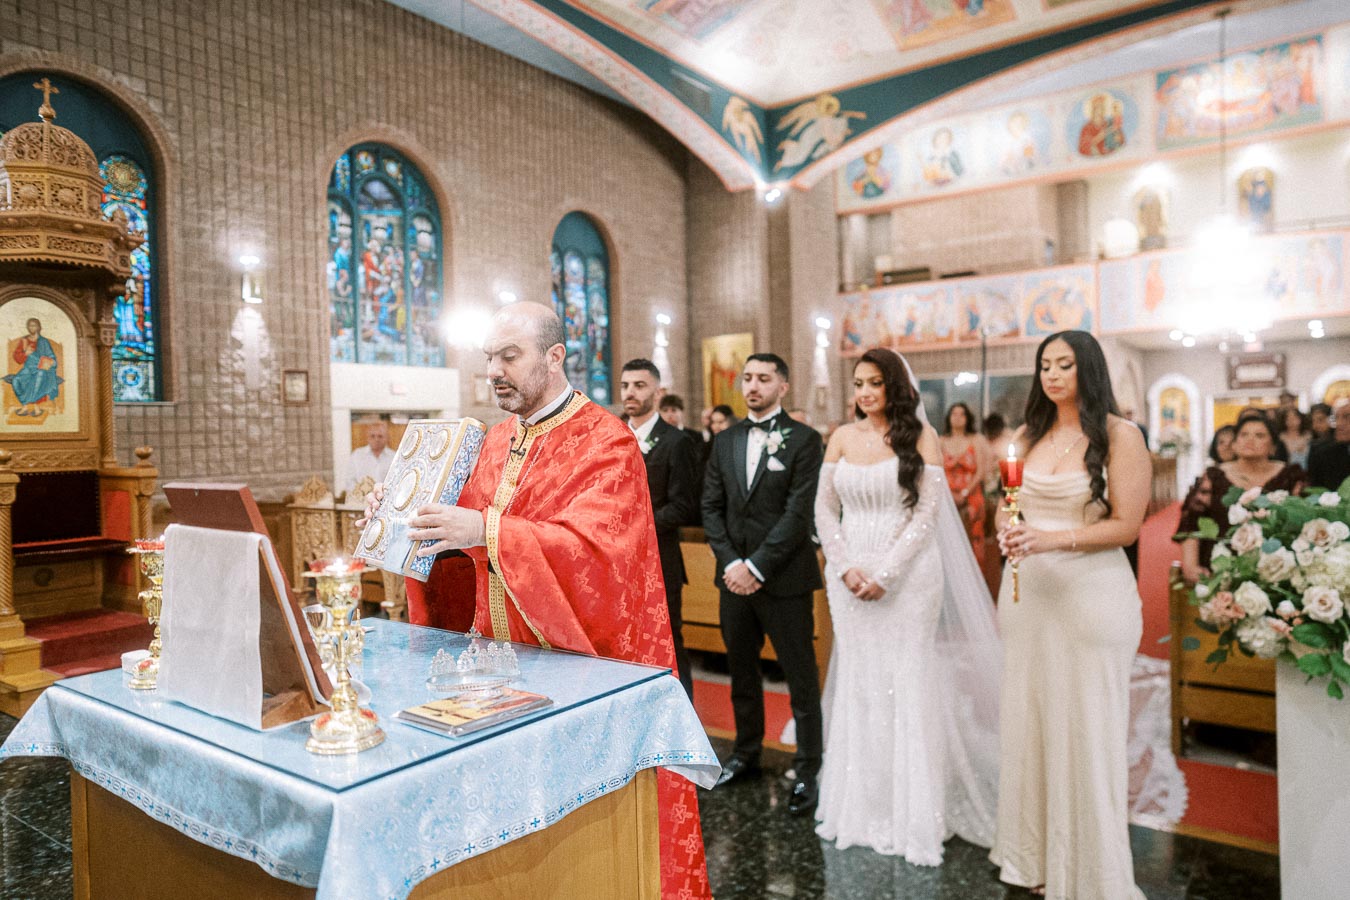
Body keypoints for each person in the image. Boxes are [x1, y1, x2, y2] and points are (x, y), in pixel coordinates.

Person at [362, 302, 710, 900]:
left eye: (509, 356)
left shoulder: (608, 441)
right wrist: (403, 521)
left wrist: (485, 531)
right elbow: (456, 540)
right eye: (489, 358)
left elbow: (598, 555)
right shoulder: (495, 440)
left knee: (580, 847)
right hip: (493, 663)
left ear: (554, 357)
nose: (494, 370)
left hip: (578, 662)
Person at [813, 348, 1000, 863]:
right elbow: (824, 509)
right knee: (862, 682)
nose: (865, 393)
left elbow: (927, 514)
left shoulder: (921, 436)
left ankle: (911, 811)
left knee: (905, 679)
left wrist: (887, 574)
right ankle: (861, 805)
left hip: (911, 575)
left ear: (895, 387)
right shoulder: (842, 438)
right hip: (849, 574)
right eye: (858, 384)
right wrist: (846, 564)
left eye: (875, 383)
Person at [990, 330, 1152, 899]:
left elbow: (1127, 526)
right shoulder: (1028, 435)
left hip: (1091, 598)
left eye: (1065, 364)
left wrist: (1049, 540)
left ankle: (1089, 872)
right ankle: (1033, 857)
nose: (1053, 374)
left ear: (1089, 369)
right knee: (1030, 723)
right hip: (1030, 599)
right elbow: (1007, 508)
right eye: (1044, 365)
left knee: (1085, 728)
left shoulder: (1119, 435)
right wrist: (1005, 532)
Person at [702, 353, 824, 816]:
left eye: (764, 378)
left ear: (783, 386)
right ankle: (746, 752)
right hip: (732, 580)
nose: (753, 385)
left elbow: (799, 512)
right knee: (742, 673)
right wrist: (733, 562)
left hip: (784, 579)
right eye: (747, 378)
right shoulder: (726, 439)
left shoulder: (805, 440)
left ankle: (809, 767)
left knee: (800, 678)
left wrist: (756, 566)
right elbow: (711, 506)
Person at [622, 358, 700, 700]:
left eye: (639, 386)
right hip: (617, 561)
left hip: (660, 559)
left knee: (669, 641)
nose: (630, 393)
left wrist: (635, 527)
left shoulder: (676, 441)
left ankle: (684, 719)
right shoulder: (611, 435)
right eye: (625, 386)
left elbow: (684, 506)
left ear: (658, 391)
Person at [1176, 411, 1306, 584]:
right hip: (1221, 567)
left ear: (1273, 446)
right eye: (1243, 435)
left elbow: (1303, 521)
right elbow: (1191, 521)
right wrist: (1190, 566)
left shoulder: (1290, 476)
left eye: (1259, 435)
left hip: (1277, 566)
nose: (1249, 440)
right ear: (1235, 444)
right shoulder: (1214, 476)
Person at [940, 402, 986, 564]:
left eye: (962, 414)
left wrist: (965, 493)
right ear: (949, 417)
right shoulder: (941, 441)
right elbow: (937, 471)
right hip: (947, 496)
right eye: (954, 414)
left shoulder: (976, 440)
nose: (958, 418)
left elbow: (981, 470)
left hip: (971, 495)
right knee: (947, 538)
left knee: (973, 537)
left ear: (968, 418)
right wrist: (950, 494)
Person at [5, 317, 63, 417]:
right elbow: (17, 357)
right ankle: (24, 405)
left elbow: (52, 357)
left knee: (38, 377)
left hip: (41, 369)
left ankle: (34, 408)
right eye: (30, 326)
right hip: (27, 369)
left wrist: (50, 362)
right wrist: (25, 353)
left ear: (39, 327)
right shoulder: (24, 341)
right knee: (16, 380)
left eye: (34, 325)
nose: (32, 328)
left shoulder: (44, 342)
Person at [1306, 399, 1350, 492]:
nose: (1339, 424)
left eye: (1347, 417)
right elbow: (1315, 494)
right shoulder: (1322, 454)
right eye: (1336, 418)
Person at [347, 417, 395, 493]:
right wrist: (361, 495)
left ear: (387, 438)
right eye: (373, 436)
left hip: (386, 500)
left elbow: (396, 482)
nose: (376, 439)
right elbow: (350, 481)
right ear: (367, 437)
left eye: (380, 436)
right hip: (360, 501)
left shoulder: (394, 457)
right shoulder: (357, 455)